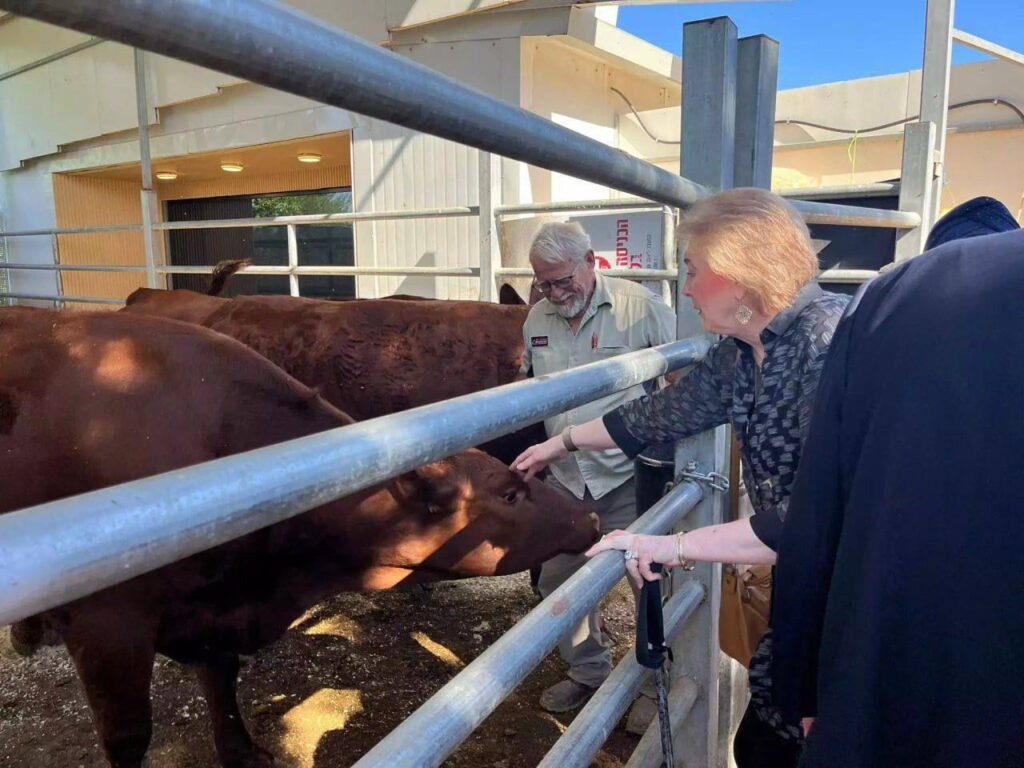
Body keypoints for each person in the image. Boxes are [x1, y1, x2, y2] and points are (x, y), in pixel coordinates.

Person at [515, 188, 849, 767]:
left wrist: (671, 543)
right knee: (764, 740)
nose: (687, 287)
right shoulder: (744, 354)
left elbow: (814, 519)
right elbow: (653, 416)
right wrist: (561, 441)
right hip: (806, 587)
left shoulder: (828, 346)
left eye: (694, 271)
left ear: (742, 273)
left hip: (853, 596)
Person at [768, 223, 1023, 767]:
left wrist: (806, 687)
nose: (687, 288)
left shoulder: (892, 297)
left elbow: (817, 508)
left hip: (897, 660)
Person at [517, 220, 677, 719]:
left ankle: (657, 685)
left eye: (564, 279)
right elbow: (532, 388)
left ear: (592, 261)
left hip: (627, 475)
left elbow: (687, 376)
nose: (555, 292)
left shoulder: (641, 308)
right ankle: (588, 671)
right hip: (566, 476)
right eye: (544, 282)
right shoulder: (535, 318)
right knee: (559, 582)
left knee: (649, 582)